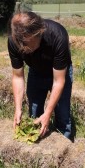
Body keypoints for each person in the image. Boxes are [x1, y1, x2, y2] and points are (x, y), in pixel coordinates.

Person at [8, 11, 73, 140]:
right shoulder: (14, 41)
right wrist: (18, 108)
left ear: (38, 33)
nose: (23, 47)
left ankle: (64, 145)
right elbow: (18, 77)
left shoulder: (57, 35)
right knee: (34, 111)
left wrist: (48, 113)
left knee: (63, 115)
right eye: (20, 43)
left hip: (59, 73)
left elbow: (58, 81)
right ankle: (37, 145)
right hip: (36, 71)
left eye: (26, 43)